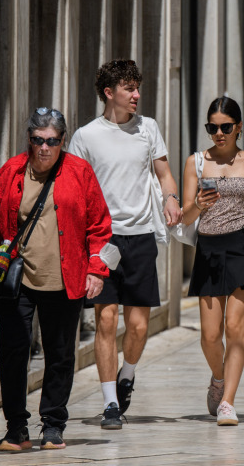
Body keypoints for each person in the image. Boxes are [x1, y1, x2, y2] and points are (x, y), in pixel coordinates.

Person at [0, 107, 113, 451]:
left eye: (52, 141)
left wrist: (96, 269)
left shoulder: (80, 172)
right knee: (12, 352)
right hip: (16, 279)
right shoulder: (11, 172)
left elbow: (100, 227)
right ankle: (16, 428)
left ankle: (53, 424)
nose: (45, 147)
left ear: (63, 141)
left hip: (66, 279)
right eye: (38, 140)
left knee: (60, 354)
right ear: (29, 141)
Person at [69, 59, 183, 429]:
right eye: (129, 89)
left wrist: (171, 198)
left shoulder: (148, 128)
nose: (137, 95)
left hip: (140, 236)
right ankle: (109, 405)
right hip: (102, 241)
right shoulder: (86, 136)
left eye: (138, 88)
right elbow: (74, 191)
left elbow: (164, 173)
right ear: (109, 93)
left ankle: (127, 375)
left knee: (136, 327)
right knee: (106, 320)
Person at [181, 96, 244, 425]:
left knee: (234, 327)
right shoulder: (195, 162)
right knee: (210, 335)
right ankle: (219, 379)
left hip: (241, 247)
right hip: (209, 250)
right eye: (213, 127)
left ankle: (227, 402)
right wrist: (198, 203)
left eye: (226, 127)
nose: (219, 133)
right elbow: (184, 217)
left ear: (238, 127)